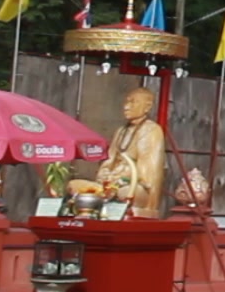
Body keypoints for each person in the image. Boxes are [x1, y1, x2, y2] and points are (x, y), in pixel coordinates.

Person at [66, 87, 166, 217]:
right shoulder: (121, 131)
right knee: (73, 185)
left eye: (132, 102)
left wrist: (122, 177)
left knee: (125, 192)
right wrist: (105, 174)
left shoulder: (152, 130)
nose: (126, 107)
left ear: (147, 107)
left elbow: (147, 172)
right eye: (126, 102)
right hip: (111, 182)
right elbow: (109, 159)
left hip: (135, 186)